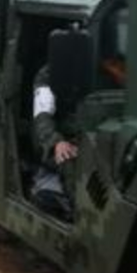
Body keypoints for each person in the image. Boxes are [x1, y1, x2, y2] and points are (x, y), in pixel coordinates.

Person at [31, 63, 80, 221]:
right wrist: (55, 142)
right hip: (60, 138)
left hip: (93, 134)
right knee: (67, 157)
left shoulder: (118, 66)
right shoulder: (51, 73)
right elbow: (42, 115)